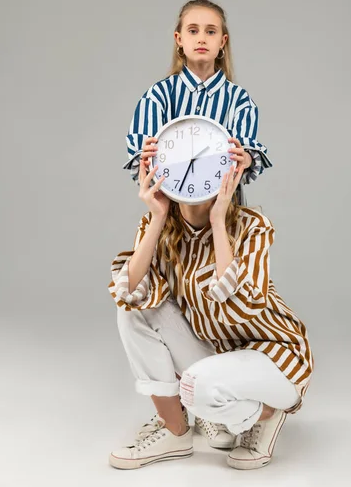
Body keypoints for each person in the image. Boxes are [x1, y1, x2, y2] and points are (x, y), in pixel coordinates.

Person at [107, 162, 314, 471]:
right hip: (218, 353)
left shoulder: (252, 225)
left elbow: (240, 308)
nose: (192, 175)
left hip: (272, 352)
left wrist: (218, 220)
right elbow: (130, 294)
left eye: (204, 167)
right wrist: (158, 216)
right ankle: (175, 429)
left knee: (196, 389)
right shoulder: (159, 224)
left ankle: (269, 411)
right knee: (134, 314)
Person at [122, 0, 273, 206]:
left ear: (222, 41)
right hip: (171, 215)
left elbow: (246, 155)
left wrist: (245, 158)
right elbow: (140, 161)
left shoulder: (240, 101)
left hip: (224, 214)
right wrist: (144, 156)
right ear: (179, 39)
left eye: (210, 32)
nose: (201, 39)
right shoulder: (158, 95)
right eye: (193, 31)